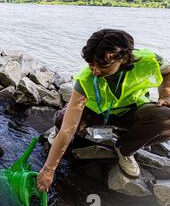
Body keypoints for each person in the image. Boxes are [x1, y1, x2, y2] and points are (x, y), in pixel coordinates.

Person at [37, 29, 170, 192]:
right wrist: (48, 169)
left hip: (130, 110)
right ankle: (71, 135)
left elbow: (167, 71)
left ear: (124, 58)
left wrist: (165, 95)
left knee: (166, 117)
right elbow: (68, 129)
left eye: (103, 66)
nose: (95, 71)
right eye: (91, 64)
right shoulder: (86, 79)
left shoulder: (149, 60)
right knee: (63, 121)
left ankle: (125, 148)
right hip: (94, 113)